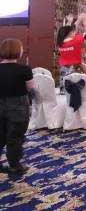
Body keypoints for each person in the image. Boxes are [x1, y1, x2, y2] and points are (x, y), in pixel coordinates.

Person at [0, 39, 34, 178]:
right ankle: (15, 165)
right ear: (18, 51)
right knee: (15, 137)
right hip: (18, 106)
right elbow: (30, 88)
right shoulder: (24, 69)